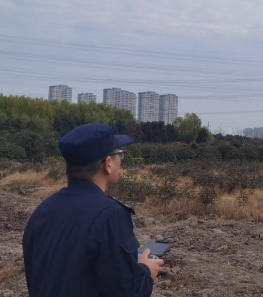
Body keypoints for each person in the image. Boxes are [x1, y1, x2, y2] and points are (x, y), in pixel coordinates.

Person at [22, 122, 164, 297]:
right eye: (119, 154)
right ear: (108, 164)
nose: (121, 161)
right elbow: (127, 291)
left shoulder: (42, 211)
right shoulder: (110, 215)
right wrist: (145, 271)